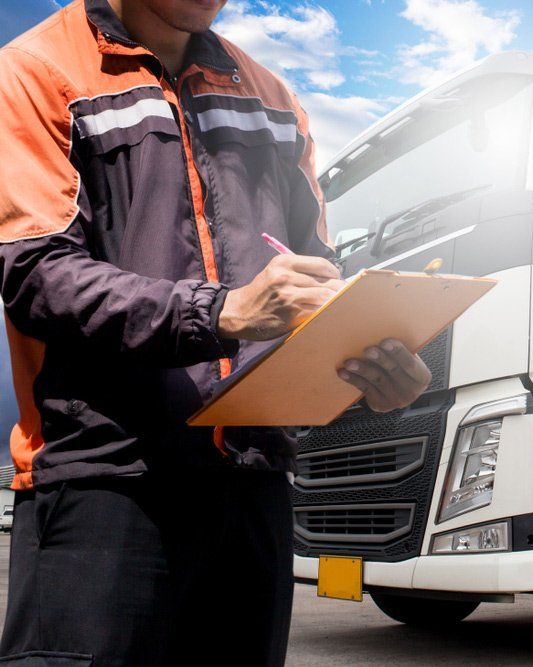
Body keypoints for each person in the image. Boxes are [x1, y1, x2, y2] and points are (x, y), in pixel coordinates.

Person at [0, 0, 432, 664]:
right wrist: (222, 313)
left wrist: (369, 358)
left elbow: (314, 275)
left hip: (254, 490)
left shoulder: (274, 99)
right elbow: (35, 273)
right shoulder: (34, 71)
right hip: (103, 486)